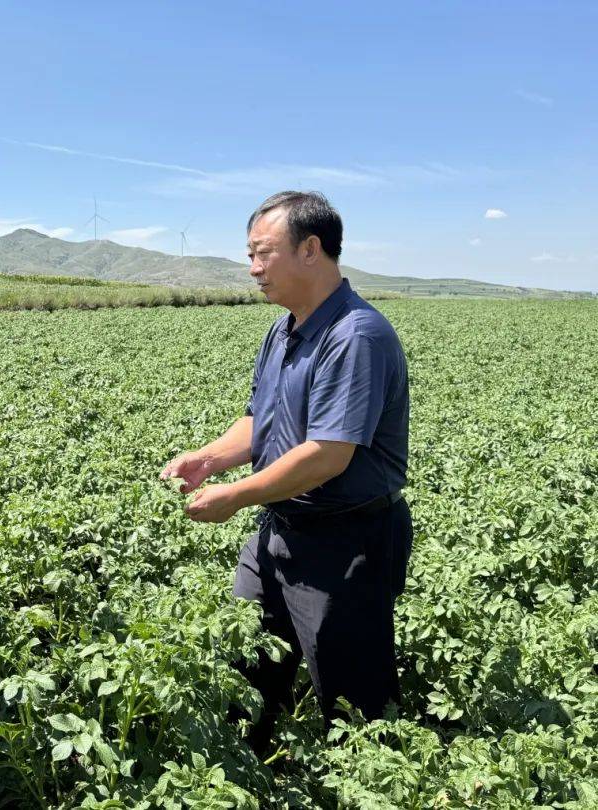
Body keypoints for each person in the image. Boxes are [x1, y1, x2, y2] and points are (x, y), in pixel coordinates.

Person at [161, 191, 412, 753]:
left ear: (310, 250)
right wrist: (210, 459)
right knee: (246, 665)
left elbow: (329, 453)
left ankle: (367, 779)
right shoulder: (284, 330)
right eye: (249, 255)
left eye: (261, 253)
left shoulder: (355, 335)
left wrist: (238, 497)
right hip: (281, 529)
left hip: (345, 543)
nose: (252, 268)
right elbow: (262, 420)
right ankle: (246, 770)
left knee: (354, 702)